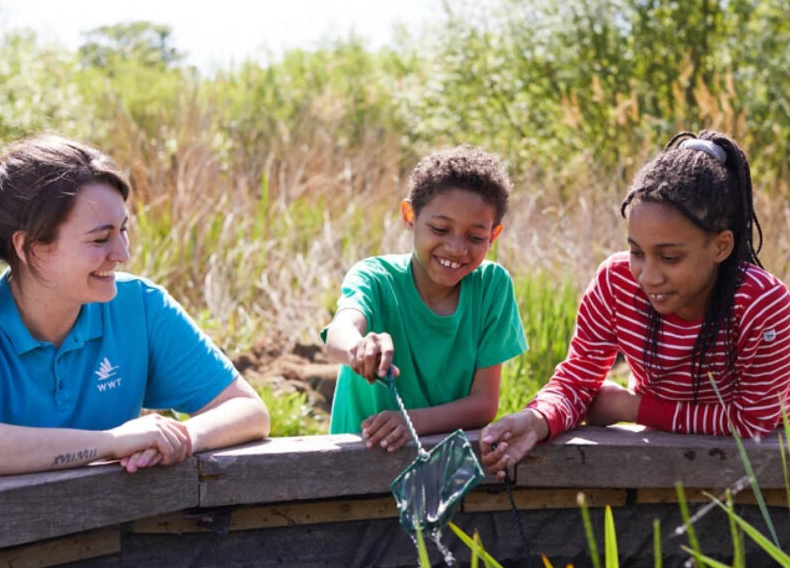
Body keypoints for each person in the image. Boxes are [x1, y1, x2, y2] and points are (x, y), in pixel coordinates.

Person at [481, 130, 790, 479]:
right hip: (654, 462)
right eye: (637, 252)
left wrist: (631, 407)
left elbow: (755, 420)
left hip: (758, 477)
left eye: (670, 257)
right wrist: (536, 419)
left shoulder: (761, 303)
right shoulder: (616, 282)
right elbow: (577, 380)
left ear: (721, 246)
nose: (649, 276)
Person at [0, 134, 270, 477]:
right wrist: (111, 442)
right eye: (99, 239)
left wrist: (174, 439)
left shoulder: (140, 306)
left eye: (123, 231)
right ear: (29, 247)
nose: (123, 254)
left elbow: (247, 409)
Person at [322, 144, 527, 451]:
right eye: (440, 228)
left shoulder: (492, 287)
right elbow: (339, 331)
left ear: (493, 236)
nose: (457, 248)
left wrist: (411, 422)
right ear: (410, 216)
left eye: (475, 237)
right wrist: (358, 347)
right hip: (361, 462)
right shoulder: (375, 278)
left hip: (445, 470)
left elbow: (484, 403)